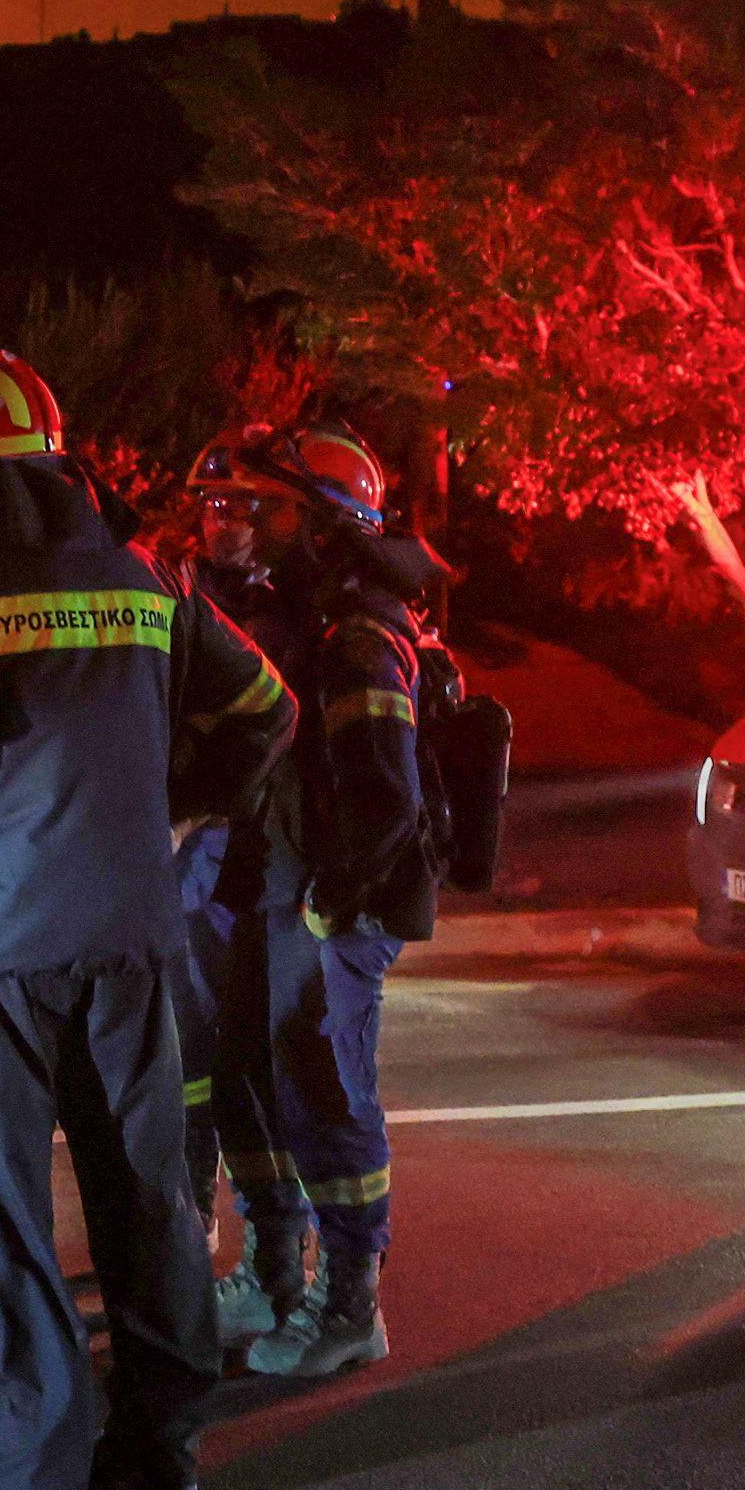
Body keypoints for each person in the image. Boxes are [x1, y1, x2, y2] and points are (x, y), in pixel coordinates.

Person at [0, 349, 293, 1490]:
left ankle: (36, 1472)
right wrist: (176, 798)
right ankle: (161, 1452)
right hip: (135, 935)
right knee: (143, 1194)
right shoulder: (149, 581)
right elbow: (269, 710)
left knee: (4, 1208)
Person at [222, 423, 443, 1380]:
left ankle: (350, 1304)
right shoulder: (309, 618)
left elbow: (385, 798)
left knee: (327, 1092)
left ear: (324, 523)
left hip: (334, 904)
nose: (254, 523)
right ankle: (296, 1278)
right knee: (282, 1084)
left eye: (273, 507)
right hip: (299, 888)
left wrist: (333, 899)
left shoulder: (356, 636)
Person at [174, 429, 319, 1345]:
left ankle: (278, 1269)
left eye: (235, 506)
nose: (216, 521)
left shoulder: (289, 616)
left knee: (252, 1075)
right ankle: (204, 1247)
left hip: (257, 870)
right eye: (209, 505)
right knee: (197, 1070)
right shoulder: (190, 594)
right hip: (201, 869)